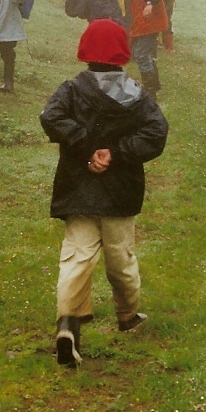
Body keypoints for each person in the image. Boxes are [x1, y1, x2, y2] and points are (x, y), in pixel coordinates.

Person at [39, 19, 169, 367]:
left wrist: (85, 145)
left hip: (77, 187)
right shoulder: (136, 96)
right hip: (119, 192)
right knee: (120, 259)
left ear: (84, 51)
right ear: (123, 54)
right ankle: (127, 315)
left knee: (77, 258)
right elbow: (156, 133)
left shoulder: (70, 89)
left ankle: (67, 324)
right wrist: (117, 152)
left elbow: (50, 117)